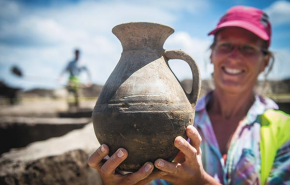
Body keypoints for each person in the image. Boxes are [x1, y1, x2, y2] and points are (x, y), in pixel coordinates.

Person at [87, 6, 290, 184]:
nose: (234, 56)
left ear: (265, 61)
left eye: (248, 48)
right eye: (226, 45)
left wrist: (201, 182)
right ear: (211, 53)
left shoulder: (284, 130)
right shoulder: (185, 120)